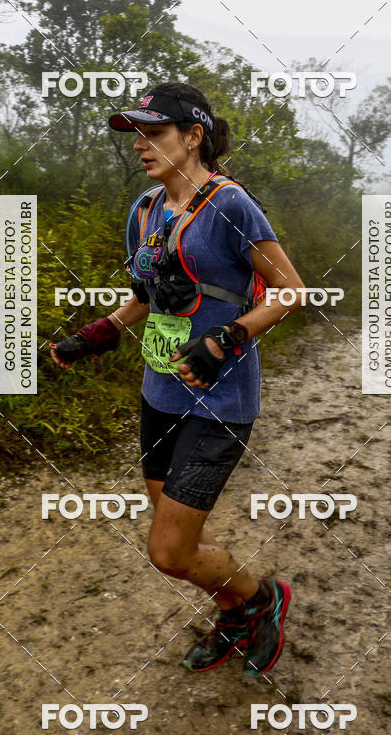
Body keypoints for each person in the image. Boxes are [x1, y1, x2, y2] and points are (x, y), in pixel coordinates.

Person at [50, 81, 305, 677]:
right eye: (135, 134)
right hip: (160, 393)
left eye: (155, 132)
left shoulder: (231, 206)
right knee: (180, 547)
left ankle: (263, 597)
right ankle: (240, 612)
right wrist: (100, 331)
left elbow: (291, 292)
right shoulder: (143, 210)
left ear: (193, 137)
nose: (141, 145)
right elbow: (150, 295)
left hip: (221, 401)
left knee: (166, 551)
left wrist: (226, 340)